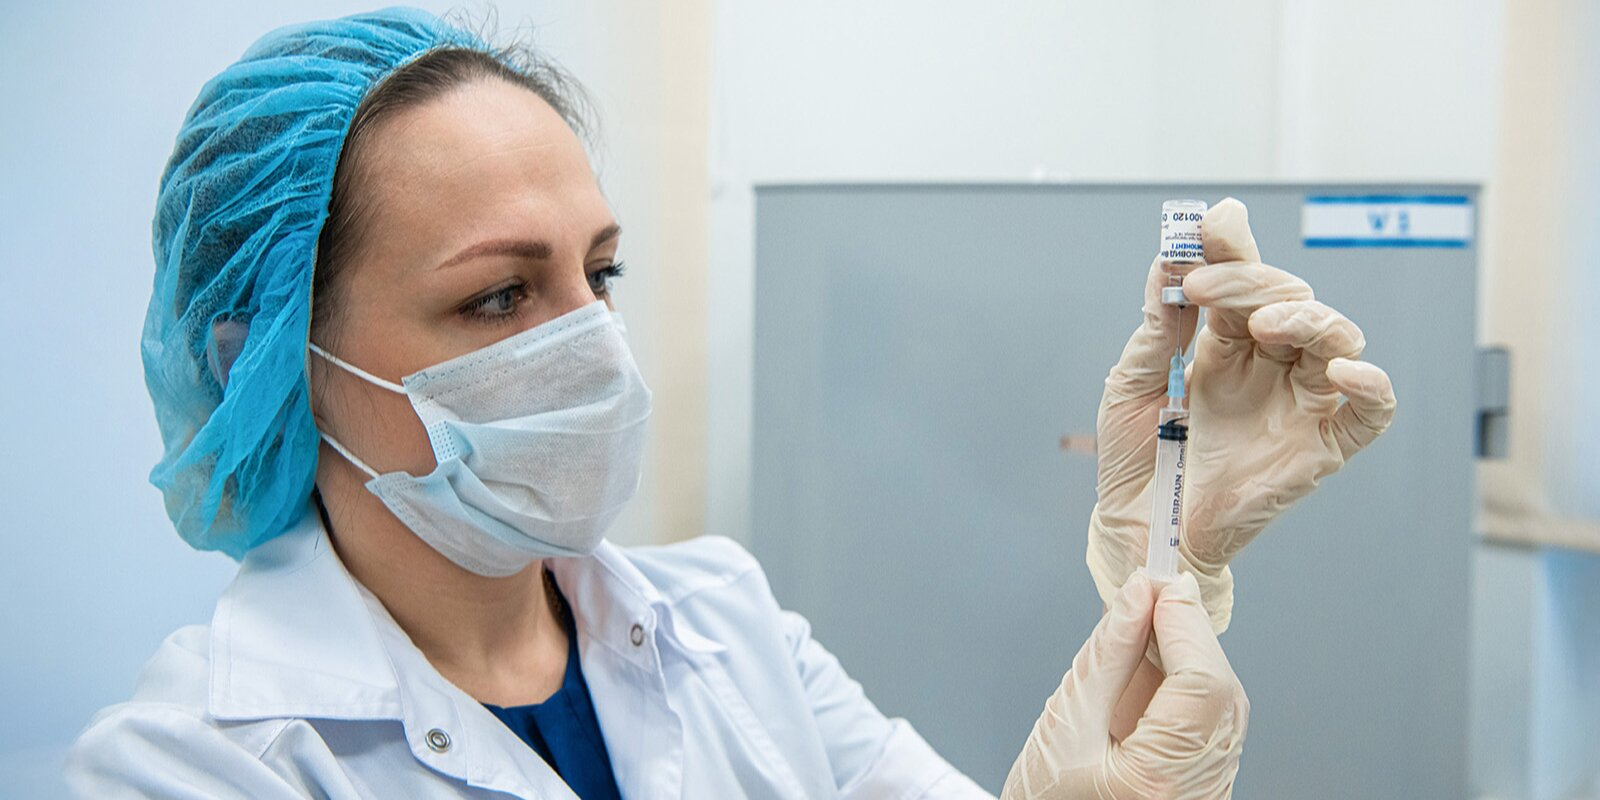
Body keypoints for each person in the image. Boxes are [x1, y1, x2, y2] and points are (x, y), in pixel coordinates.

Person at [65, 9, 1395, 799]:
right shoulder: (194, 765)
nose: (594, 345)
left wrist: (1165, 552)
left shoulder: (722, 625)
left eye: (600, 274)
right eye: (500, 296)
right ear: (271, 358)